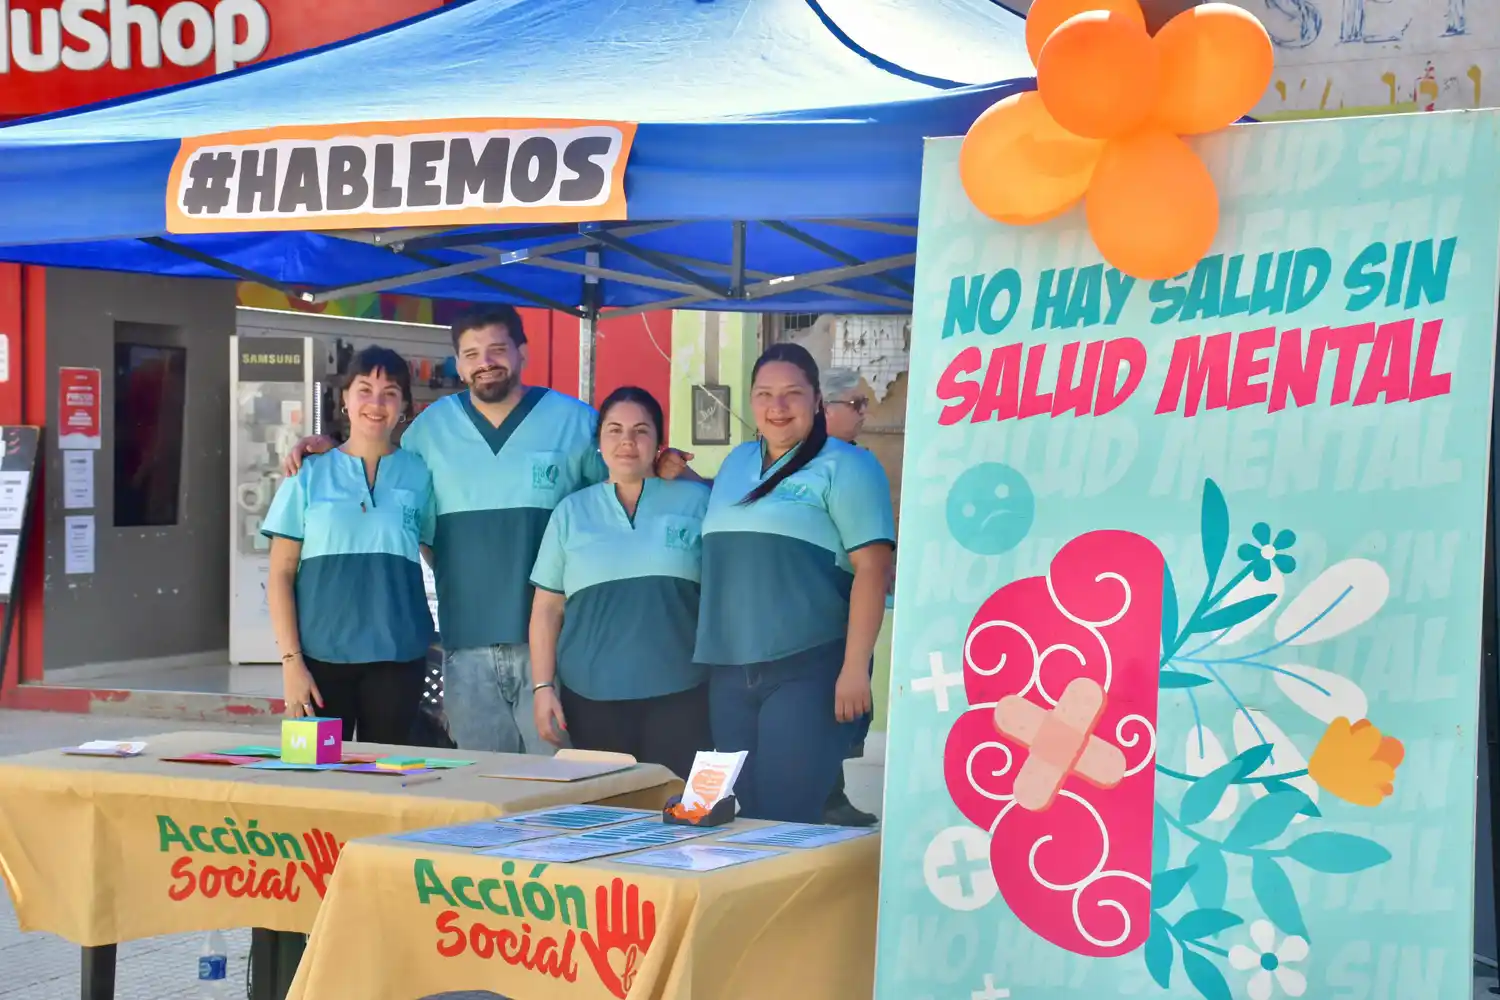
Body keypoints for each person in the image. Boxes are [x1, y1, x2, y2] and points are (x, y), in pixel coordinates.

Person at [283, 306, 605, 754]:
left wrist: (672, 470)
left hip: (549, 647)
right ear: (458, 362)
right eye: (471, 353)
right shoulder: (427, 433)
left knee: (553, 784)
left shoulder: (575, 422)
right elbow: (371, 459)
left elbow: (621, 491)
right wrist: (330, 452)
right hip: (458, 645)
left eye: (497, 349)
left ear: (523, 352)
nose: (485, 361)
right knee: (475, 791)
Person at [689, 343, 895, 824]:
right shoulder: (736, 464)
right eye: (764, 394)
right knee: (751, 813)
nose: (776, 408)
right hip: (729, 670)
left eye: (791, 394)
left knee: (790, 814)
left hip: (808, 668)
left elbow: (872, 569)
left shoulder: (847, 465)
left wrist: (854, 669)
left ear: (817, 399)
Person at [528, 387, 712, 779]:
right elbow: (547, 609)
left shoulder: (696, 503)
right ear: (599, 442)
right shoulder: (571, 512)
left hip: (681, 693)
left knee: (676, 816)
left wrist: (691, 474)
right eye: (614, 430)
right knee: (603, 819)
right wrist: (543, 687)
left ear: (659, 442)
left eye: (641, 430)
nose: (627, 441)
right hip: (592, 697)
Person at [264, 346, 435, 744]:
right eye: (364, 389)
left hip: (399, 656)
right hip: (319, 659)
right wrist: (291, 663)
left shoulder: (420, 474)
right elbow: (280, 574)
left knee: (390, 785)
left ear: (405, 406)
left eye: (390, 392)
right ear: (344, 398)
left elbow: (438, 555)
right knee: (314, 784)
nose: (376, 403)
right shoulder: (306, 474)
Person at [817, 367, 881, 828]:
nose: (864, 414)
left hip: (851, 599)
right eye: (855, 405)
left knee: (846, 706)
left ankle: (832, 792)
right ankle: (823, 795)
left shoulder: (857, 460)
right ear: (824, 408)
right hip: (816, 604)